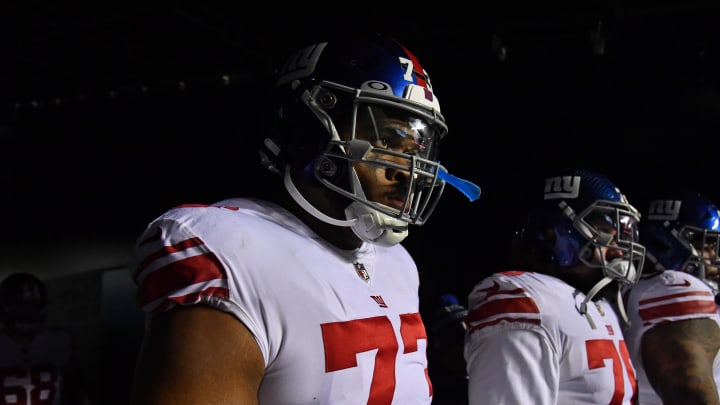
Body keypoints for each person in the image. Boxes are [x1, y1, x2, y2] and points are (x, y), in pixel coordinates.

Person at [127, 33, 480, 404]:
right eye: (387, 141)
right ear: (310, 127)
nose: (406, 170)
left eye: (413, 150)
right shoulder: (233, 251)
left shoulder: (399, 264)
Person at [464, 168, 646, 404]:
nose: (619, 251)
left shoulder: (599, 305)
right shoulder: (524, 298)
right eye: (604, 234)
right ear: (552, 233)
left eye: (621, 238)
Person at [621, 190, 720, 405]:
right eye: (708, 246)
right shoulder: (673, 288)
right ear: (664, 243)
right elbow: (691, 394)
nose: (715, 257)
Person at [0, 272, 91, 405]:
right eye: (20, 305)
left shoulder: (58, 342)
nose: (29, 312)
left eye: (35, 305)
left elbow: (76, 389)